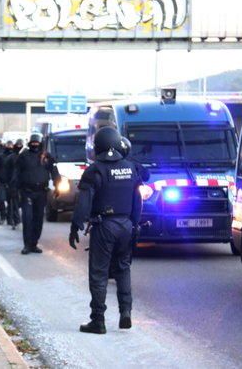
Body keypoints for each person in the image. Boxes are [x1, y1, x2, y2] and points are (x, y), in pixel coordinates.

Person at [68, 127, 143, 334]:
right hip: (126, 225)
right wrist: (135, 224)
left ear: (98, 145)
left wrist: (76, 225)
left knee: (99, 273)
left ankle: (98, 320)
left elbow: (84, 201)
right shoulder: (131, 168)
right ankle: (125, 312)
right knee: (123, 269)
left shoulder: (95, 170)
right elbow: (138, 199)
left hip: (104, 226)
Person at [12, 133, 60, 254]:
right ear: (29, 143)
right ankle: (27, 245)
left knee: (38, 219)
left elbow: (54, 171)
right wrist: (14, 189)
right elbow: (16, 173)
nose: (35, 144)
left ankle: (34, 243)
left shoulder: (46, 156)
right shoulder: (23, 156)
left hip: (41, 192)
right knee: (27, 219)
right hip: (27, 192)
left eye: (36, 143)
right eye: (33, 143)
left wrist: (57, 185)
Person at [0, 140, 14, 225]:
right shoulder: (0, 156)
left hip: (12, 183)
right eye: (8, 145)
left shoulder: (15, 156)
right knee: (1, 200)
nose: (9, 146)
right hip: (2, 182)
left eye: (11, 145)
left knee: (11, 202)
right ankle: (2, 216)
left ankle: (9, 218)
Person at [4, 139, 23, 229]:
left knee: (19, 203)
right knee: (14, 203)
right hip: (13, 184)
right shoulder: (10, 158)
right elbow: (6, 171)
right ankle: (15, 220)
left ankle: (17, 219)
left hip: (23, 184)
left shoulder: (25, 157)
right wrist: (7, 182)